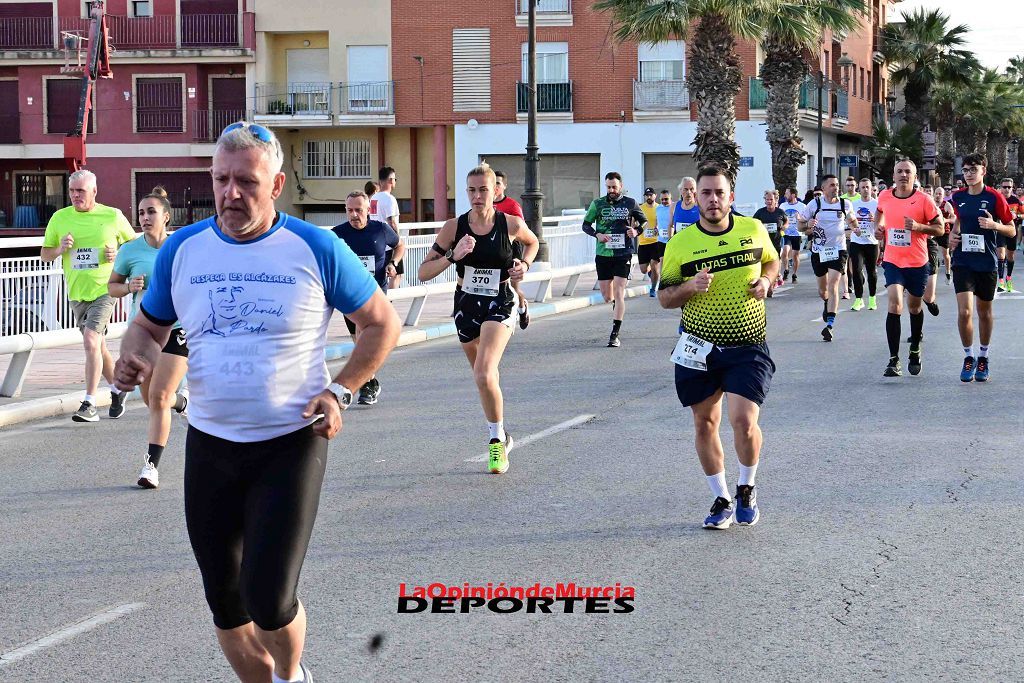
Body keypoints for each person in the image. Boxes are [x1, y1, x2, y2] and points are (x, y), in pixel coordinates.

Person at [114, 122, 401, 683]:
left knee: (269, 600)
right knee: (225, 603)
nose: (230, 192)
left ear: (277, 184)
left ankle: (291, 676)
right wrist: (134, 357)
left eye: (246, 181)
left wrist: (339, 389)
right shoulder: (183, 250)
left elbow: (380, 325)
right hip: (211, 444)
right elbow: (147, 325)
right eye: (221, 179)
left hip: (289, 442)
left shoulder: (316, 247)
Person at [657, 165, 779, 529]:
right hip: (699, 346)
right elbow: (664, 297)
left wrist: (766, 282)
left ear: (731, 197)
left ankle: (747, 487)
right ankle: (722, 497)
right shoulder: (680, 244)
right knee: (705, 423)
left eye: (718, 193)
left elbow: (771, 261)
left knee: (743, 421)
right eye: (705, 193)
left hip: (747, 343)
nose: (712, 200)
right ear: (696, 198)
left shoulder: (752, 229)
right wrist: (689, 288)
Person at [417, 162, 538, 474]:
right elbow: (423, 272)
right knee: (484, 379)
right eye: (471, 190)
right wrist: (452, 255)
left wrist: (524, 265)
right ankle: (503, 432)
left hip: (500, 298)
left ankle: (496, 443)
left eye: (484, 189)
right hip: (466, 303)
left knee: (485, 373)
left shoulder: (508, 223)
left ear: (495, 191)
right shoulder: (453, 228)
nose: (477, 196)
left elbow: (533, 242)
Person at [108, 187, 190, 489]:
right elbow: (112, 287)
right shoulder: (130, 250)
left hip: (178, 329)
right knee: (153, 399)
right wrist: (129, 287)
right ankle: (182, 403)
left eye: (151, 212)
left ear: (166, 217)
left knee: (157, 398)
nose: (144, 217)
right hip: (144, 332)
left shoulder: (181, 247)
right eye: (141, 212)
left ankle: (150, 466)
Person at [40, 169, 136, 423]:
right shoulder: (60, 218)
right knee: (98, 345)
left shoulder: (112, 216)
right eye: (71, 191)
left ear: (94, 191)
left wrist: (117, 255)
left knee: (92, 340)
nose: (75, 196)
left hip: (106, 289)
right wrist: (60, 248)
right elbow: (44, 254)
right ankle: (119, 388)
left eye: (80, 191)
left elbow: (134, 245)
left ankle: (89, 403)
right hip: (77, 292)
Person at [332, 190, 405, 406]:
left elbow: (399, 245)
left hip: (375, 295)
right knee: (360, 343)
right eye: (350, 211)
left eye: (358, 210)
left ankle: (358, 385)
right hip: (349, 297)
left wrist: (393, 264)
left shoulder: (380, 229)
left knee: (363, 337)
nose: (354, 215)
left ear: (368, 210)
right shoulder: (338, 234)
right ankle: (370, 382)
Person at [948, 153, 1015, 382]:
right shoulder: (957, 197)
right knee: (964, 312)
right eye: (965, 170)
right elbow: (958, 220)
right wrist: (952, 237)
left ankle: (983, 356)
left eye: (973, 170)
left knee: (984, 312)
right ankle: (968, 357)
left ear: (983, 171)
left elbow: (1012, 229)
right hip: (963, 261)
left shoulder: (995, 197)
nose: (968, 174)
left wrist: (994, 225)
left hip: (986, 262)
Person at [874, 159, 944, 377]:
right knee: (894, 306)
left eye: (908, 172)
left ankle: (914, 348)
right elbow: (879, 213)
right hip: (893, 261)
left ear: (915, 177)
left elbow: (940, 228)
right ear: (893, 176)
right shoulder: (884, 196)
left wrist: (919, 227)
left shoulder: (924, 200)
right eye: (899, 172)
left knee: (914, 307)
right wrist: (879, 227)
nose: (903, 175)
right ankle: (893, 360)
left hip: (917, 262)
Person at [582, 172, 647, 348]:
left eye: (614, 187)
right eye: (608, 187)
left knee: (619, 293)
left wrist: (636, 232)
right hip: (603, 254)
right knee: (607, 296)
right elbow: (585, 225)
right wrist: (597, 234)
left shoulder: (630, 203)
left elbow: (644, 221)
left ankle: (614, 334)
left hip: (623, 253)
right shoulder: (598, 204)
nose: (611, 190)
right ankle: (615, 307)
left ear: (620, 186)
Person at [798, 175, 857, 342]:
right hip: (819, 251)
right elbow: (800, 226)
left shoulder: (845, 204)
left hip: (838, 250)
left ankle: (830, 325)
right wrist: (808, 226)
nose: (836, 188)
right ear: (823, 189)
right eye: (832, 185)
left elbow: (852, 221)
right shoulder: (814, 204)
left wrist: (856, 229)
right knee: (823, 290)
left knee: (833, 285)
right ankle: (827, 303)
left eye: (837, 185)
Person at [493, 169, 530, 328]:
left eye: (498, 184)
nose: (495, 187)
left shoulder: (512, 205)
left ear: (504, 186)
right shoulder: (484, 203)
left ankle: (522, 308)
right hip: (492, 250)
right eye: (492, 183)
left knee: (513, 288)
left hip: (511, 249)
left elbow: (523, 231)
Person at [849, 178, 879, 311]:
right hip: (857, 240)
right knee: (856, 269)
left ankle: (872, 298)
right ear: (859, 189)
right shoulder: (853, 204)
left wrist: (876, 220)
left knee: (871, 271)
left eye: (867, 187)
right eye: (863, 187)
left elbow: (884, 223)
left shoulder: (877, 204)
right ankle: (858, 299)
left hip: (872, 242)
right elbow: (849, 221)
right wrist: (853, 228)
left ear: (872, 189)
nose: (865, 190)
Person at [370, 166, 403, 289]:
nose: (395, 182)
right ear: (390, 180)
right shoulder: (390, 199)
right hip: (389, 244)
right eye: (395, 179)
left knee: (379, 276)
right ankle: (388, 304)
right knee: (396, 275)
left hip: (376, 242)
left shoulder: (374, 198)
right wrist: (398, 241)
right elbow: (391, 221)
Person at [752, 190, 787, 290]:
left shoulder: (780, 212)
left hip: (776, 241)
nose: (769, 201)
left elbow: (786, 221)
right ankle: (774, 279)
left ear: (775, 200)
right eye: (767, 199)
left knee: (776, 262)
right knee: (764, 263)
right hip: (763, 242)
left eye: (771, 199)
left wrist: (784, 226)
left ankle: (773, 282)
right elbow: (753, 223)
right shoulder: (760, 212)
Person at [637, 187, 664, 297]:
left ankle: (653, 289)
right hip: (643, 243)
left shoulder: (659, 208)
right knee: (644, 270)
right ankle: (652, 275)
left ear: (655, 196)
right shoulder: (640, 208)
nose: (649, 197)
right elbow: (635, 221)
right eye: (647, 195)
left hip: (655, 242)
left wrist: (659, 227)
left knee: (654, 265)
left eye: (650, 195)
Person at [996, 178, 1020, 292]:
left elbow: (1023, 213)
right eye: (1004, 187)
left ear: (1012, 188)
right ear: (1001, 188)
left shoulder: (1016, 200)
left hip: (1012, 231)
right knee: (1001, 255)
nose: (1006, 189)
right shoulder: (997, 199)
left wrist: (1017, 216)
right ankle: (1000, 281)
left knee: (1010, 256)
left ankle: (1008, 278)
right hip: (1000, 230)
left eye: (1009, 187)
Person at [780, 187, 805, 283]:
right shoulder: (783, 205)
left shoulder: (802, 206)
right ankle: (786, 270)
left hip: (797, 233)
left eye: (787, 193)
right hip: (786, 233)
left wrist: (800, 218)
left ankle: (794, 274)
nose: (785, 195)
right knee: (785, 251)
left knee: (795, 255)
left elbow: (806, 218)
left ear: (793, 195)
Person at [932, 185, 954, 283]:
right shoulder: (931, 204)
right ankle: (931, 272)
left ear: (943, 195)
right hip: (932, 231)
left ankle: (948, 273)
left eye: (940, 194)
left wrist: (946, 220)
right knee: (932, 252)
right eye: (936, 193)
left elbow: (954, 218)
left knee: (945, 254)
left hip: (944, 231)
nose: (937, 195)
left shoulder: (946, 205)